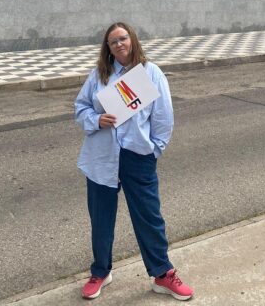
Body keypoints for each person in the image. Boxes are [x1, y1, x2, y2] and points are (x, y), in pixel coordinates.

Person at [75, 21, 193, 301]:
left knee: (149, 217)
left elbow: (163, 118)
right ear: (108, 48)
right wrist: (96, 119)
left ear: (133, 40)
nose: (119, 44)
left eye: (123, 38)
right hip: (102, 157)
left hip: (138, 156)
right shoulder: (99, 75)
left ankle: (162, 274)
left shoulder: (150, 73)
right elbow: (80, 107)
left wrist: (154, 150)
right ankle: (100, 271)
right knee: (101, 218)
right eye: (113, 41)